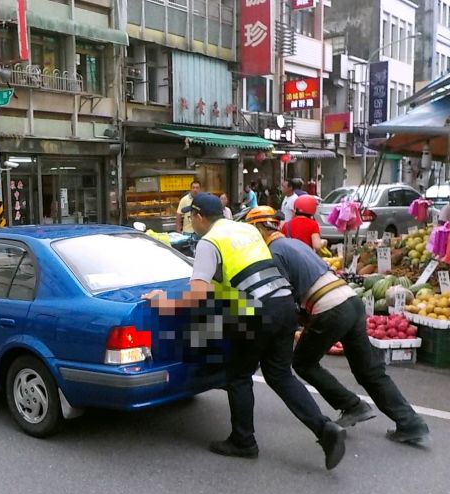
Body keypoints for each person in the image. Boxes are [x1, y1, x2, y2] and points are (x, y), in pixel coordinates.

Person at [144, 193, 346, 470]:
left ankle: (243, 441)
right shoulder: (247, 230)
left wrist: (162, 302)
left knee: (239, 376)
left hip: (255, 311)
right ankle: (325, 430)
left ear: (199, 217)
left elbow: (198, 296)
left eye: (192, 217)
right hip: (285, 304)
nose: (192, 222)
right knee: (280, 375)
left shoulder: (208, 242)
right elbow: (240, 275)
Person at [245, 206, 431, 445]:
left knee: (302, 363)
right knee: (369, 371)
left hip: (330, 308)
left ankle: (351, 405)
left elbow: (284, 297)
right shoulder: (295, 244)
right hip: (351, 302)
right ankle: (411, 422)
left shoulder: (272, 252)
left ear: (258, 229)